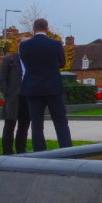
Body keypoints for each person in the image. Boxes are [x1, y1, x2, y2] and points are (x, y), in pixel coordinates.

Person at [19, 18, 73, 151]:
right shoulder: (56, 44)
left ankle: (39, 151)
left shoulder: (24, 45)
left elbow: (25, 63)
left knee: (36, 123)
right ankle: (67, 150)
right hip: (53, 87)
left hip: (33, 87)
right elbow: (62, 63)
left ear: (33, 29)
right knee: (60, 121)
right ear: (47, 29)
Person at [0, 35, 31, 154]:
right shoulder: (9, 59)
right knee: (9, 126)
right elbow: (2, 78)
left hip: (27, 97)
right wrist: (7, 93)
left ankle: (21, 151)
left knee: (24, 127)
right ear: (18, 45)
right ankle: (7, 152)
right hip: (13, 98)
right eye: (23, 43)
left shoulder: (32, 60)